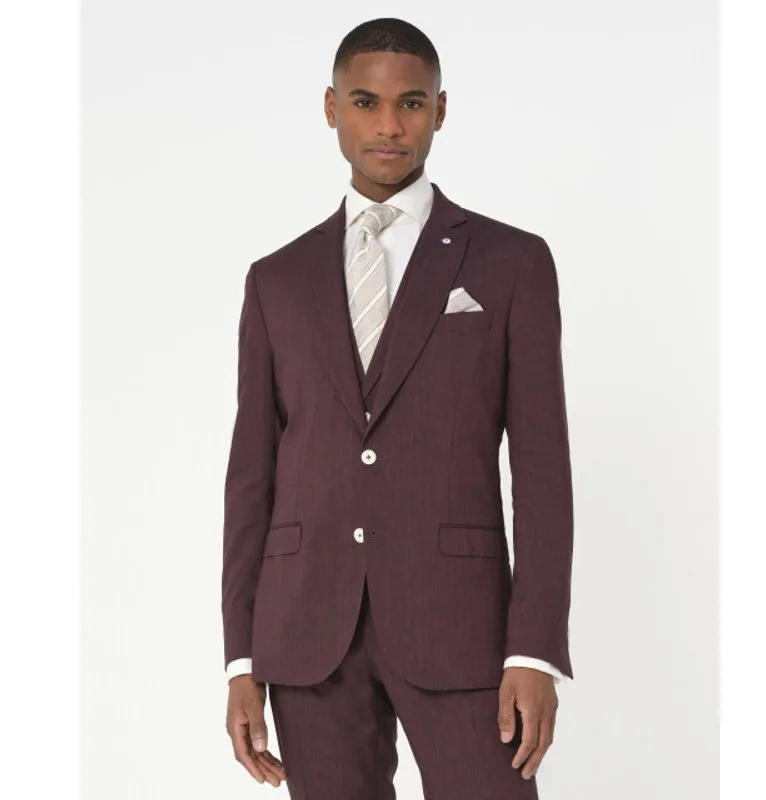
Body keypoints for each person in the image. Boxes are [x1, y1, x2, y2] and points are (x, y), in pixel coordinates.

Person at [221, 17, 575, 799]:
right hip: (308, 632)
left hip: (462, 627)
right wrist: (242, 658)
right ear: (331, 108)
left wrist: (535, 648)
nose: (389, 126)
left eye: (411, 103)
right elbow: (251, 475)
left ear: (440, 110)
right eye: (365, 102)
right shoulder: (276, 280)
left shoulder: (512, 262)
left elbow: (543, 468)